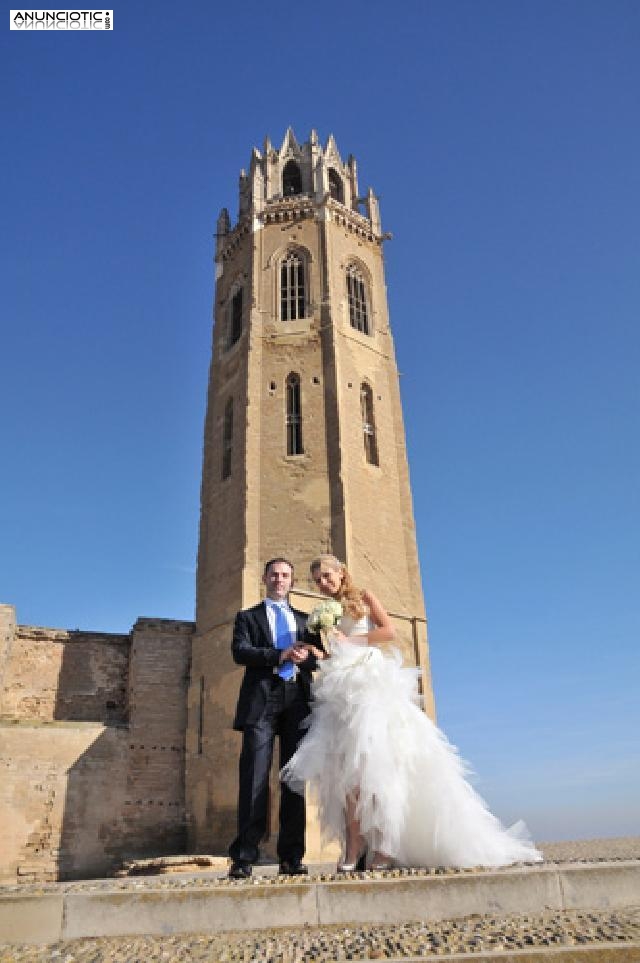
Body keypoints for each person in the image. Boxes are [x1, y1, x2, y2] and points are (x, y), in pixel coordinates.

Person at [281, 554, 542, 872]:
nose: (323, 583)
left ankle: (386, 844)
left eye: (326, 575)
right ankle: (354, 841)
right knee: (343, 770)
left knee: (377, 764)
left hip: (369, 684)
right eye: (317, 580)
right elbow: (327, 652)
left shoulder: (363, 598)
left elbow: (388, 632)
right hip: (338, 690)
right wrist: (317, 650)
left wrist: (351, 639)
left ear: (341, 572)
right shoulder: (319, 616)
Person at [228, 557, 322, 879]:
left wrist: (304, 656)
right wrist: (279, 654)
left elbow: (317, 662)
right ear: (265, 579)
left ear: (292, 582)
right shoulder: (248, 617)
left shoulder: (306, 620)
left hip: (297, 699)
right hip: (261, 700)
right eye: (274, 575)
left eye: (285, 576)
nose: (279, 580)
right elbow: (240, 652)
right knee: (254, 775)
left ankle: (291, 857)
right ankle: (244, 856)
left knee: (294, 779)